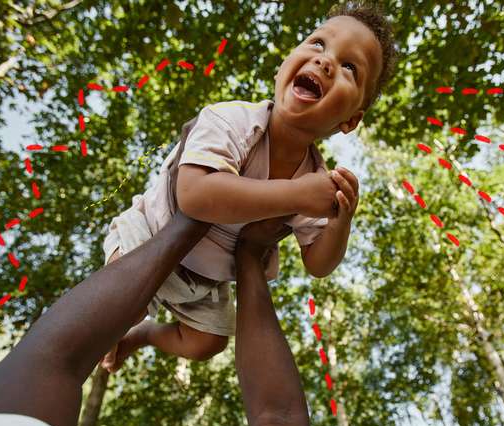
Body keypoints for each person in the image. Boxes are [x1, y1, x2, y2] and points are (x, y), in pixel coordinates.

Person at [100, 0, 395, 373]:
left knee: (208, 342)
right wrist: (298, 195)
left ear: (351, 119)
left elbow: (318, 263)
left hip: (202, 284)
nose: (325, 61)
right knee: (120, 306)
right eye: (318, 43)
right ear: (283, 67)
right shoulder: (235, 121)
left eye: (350, 66)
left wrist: (340, 221)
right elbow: (196, 195)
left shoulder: (316, 177)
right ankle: (108, 329)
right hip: (147, 236)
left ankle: (143, 335)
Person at [0, 213, 311, 426]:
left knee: (202, 341)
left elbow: (54, 361)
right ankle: (191, 224)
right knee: (121, 313)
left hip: (194, 278)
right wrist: (245, 251)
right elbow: (278, 417)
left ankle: (138, 326)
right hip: (169, 242)